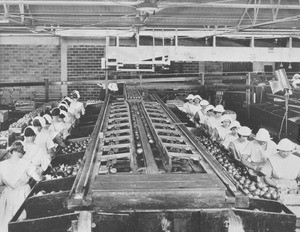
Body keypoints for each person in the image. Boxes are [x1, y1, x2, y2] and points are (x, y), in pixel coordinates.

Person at [0, 141, 42, 232]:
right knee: (23, 219)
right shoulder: (26, 163)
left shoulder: (2, 165)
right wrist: (42, 174)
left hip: (8, 195)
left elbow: (0, 183)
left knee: (9, 220)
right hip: (23, 193)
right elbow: (38, 178)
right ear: (20, 152)